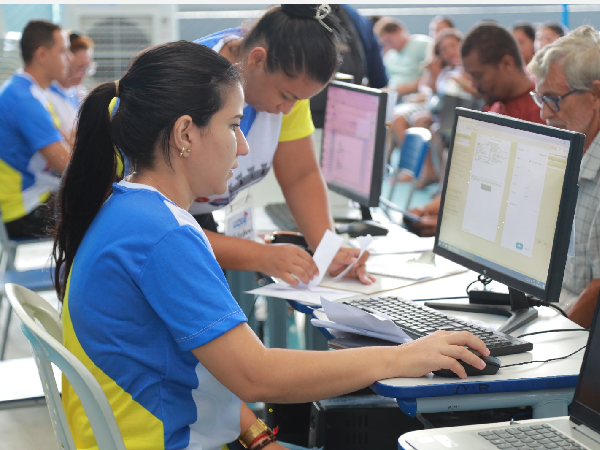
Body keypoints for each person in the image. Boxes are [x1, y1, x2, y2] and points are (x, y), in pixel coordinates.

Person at [52, 39, 489, 450]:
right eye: (234, 125)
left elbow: (202, 366)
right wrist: (403, 357)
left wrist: (259, 437)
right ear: (186, 133)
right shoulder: (163, 234)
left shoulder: (126, 207)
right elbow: (256, 375)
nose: (243, 147)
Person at [189, 5, 373, 287]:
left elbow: (301, 175)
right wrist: (262, 255)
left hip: (193, 222)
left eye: (299, 100)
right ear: (257, 59)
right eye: (286, 96)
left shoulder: (288, 87)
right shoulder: (192, 86)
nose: (288, 110)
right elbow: (156, 222)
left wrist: (328, 249)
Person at [405, 22, 545, 237]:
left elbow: (528, 204)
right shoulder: (495, 106)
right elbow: (476, 180)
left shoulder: (543, 113)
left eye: (478, 75)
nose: (475, 85)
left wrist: (455, 224)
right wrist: (433, 209)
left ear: (506, 63)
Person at [528, 25, 600, 328]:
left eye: (553, 99)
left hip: (573, 336)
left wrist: (550, 341)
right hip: (550, 311)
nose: (544, 113)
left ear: (595, 94)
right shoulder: (572, 149)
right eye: (539, 98)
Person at [0, 20, 71, 238]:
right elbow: (68, 165)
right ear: (42, 55)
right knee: (98, 210)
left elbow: (67, 144)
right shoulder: (24, 99)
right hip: (24, 209)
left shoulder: (34, 91)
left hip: (38, 195)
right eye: (63, 51)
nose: (69, 59)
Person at [46, 32, 95, 147]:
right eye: (78, 68)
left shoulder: (80, 91)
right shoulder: (47, 95)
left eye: (87, 68)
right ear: (65, 62)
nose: (83, 74)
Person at [373, 16, 432, 98]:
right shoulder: (390, 56)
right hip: (392, 97)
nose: (389, 45)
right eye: (385, 43)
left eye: (390, 40)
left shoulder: (423, 44)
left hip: (414, 97)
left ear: (399, 30)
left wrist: (409, 87)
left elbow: (433, 73)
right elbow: (388, 81)